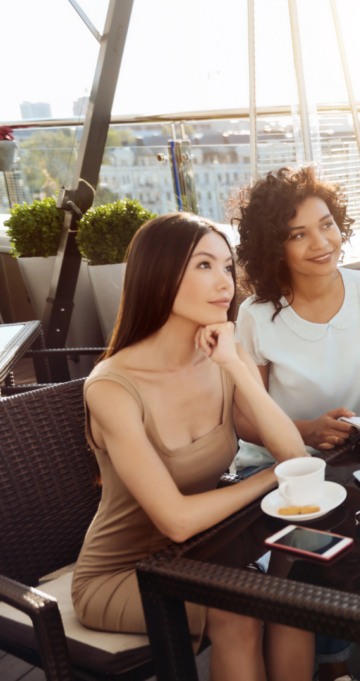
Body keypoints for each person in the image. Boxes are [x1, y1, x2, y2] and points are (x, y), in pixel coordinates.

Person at [72, 213, 314, 681]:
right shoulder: (112, 387)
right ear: (159, 274)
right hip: (124, 573)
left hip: (203, 552)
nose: (224, 282)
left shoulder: (224, 350)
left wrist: (236, 367)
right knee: (238, 612)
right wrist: (269, 479)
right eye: (204, 266)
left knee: (294, 597)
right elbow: (177, 521)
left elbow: (295, 456)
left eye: (227, 267)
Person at [229, 165, 360, 681]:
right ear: (275, 246)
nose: (322, 243)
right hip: (277, 467)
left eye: (327, 225)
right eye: (299, 234)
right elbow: (243, 419)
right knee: (337, 524)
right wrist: (305, 431)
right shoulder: (256, 315)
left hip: (352, 452)